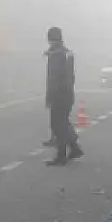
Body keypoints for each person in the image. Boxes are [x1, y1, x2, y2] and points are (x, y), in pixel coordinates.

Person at [44, 26, 83, 165]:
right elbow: (69, 77)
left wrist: (50, 97)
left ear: (51, 38)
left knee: (57, 125)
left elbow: (54, 78)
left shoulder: (56, 55)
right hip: (67, 94)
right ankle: (74, 147)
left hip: (59, 96)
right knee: (63, 123)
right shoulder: (66, 53)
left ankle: (61, 156)